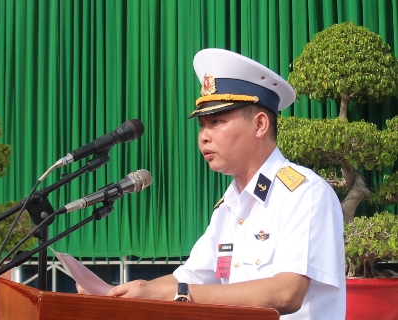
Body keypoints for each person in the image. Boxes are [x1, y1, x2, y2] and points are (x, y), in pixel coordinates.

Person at [79, 48, 346, 319]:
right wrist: (117, 295)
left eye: (216, 121)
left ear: (260, 124)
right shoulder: (228, 207)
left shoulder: (303, 192)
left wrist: (177, 294)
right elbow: (190, 277)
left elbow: (286, 293)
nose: (204, 137)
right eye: (201, 125)